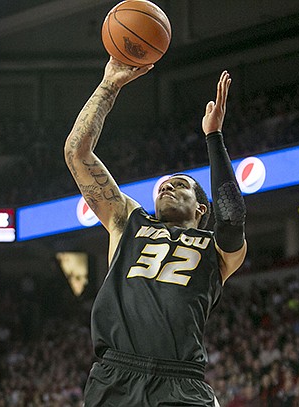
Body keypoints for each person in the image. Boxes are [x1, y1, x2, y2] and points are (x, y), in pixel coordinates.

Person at [64, 58, 247, 406]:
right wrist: (109, 85)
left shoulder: (218, 251)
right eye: (163, 185)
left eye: (179, 185)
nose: (167, 187)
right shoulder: (128, 221)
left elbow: (233, 214)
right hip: (115, 376)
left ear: (200, 209)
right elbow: (77, 153)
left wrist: (214, 137)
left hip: (181, 382)